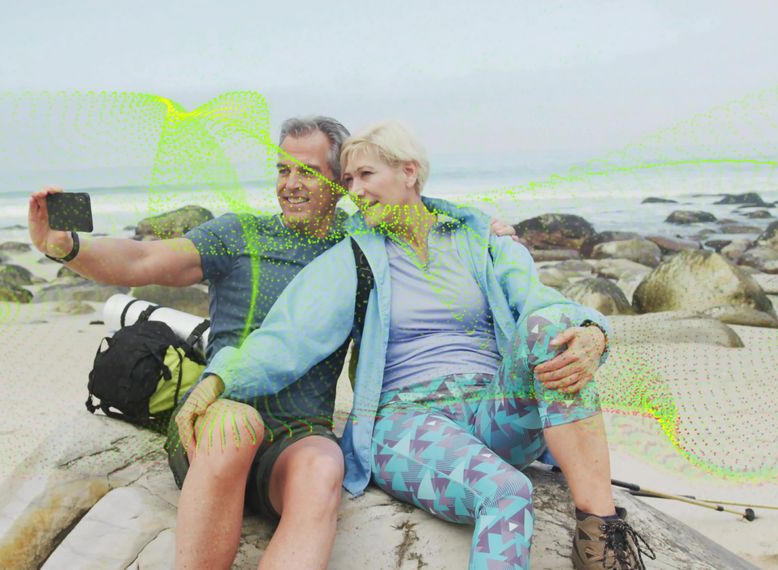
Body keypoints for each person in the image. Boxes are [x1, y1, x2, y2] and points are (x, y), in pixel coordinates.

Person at [28, 115, 520, 569]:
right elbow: (142, 262)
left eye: (306, 172)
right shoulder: (241, 234)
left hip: (299, 432)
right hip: (219, 412)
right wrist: (68, 246)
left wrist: (488, 229)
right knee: (237, 424)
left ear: (341, 184)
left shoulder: (362, 247)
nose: (289, 184)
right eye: (282, 170)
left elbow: (420, 217)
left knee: (326, 466)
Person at [179, 121, 654, 569]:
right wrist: (218, 380)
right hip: (408, 419)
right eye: (348, 179)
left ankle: (601, 534)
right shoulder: (355, 255)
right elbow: (290, 334)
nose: (355, 190)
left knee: (548, 327)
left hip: (492, 408)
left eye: (367, 174)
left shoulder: (476, 238)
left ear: (409, 172)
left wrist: (595, 333)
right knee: (507, 491)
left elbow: (538, 301)